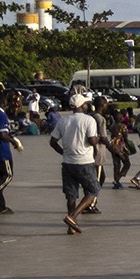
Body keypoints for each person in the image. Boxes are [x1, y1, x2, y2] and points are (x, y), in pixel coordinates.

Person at [51, 93, 103, 235]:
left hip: (68, 163)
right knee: (93, 190)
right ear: (82, 105)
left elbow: (52, 142)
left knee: (71, 194)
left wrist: (64, 152)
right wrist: (99, 138)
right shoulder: (89, 120)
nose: (87, 105)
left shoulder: (63, 121)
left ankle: (71, 227)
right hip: (85, 162)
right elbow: (92, 141)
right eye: (86, 103)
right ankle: (73, 216)